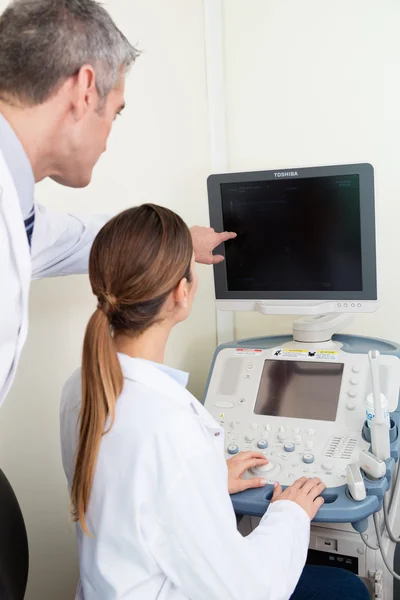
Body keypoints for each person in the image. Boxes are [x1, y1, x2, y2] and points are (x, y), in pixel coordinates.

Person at [60, 204, 370, 600]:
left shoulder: (82, 384)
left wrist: (203, 484)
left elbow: (134, 500)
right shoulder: (169, 426)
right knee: (346, 589)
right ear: (182, 292)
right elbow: (250, 590)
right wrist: (290, 514)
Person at [0, 0, 235, 408]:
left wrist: (175, 239)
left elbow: (76, 238)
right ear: (85, 90)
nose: (108, 136)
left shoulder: (17, 210)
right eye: (116, 113)